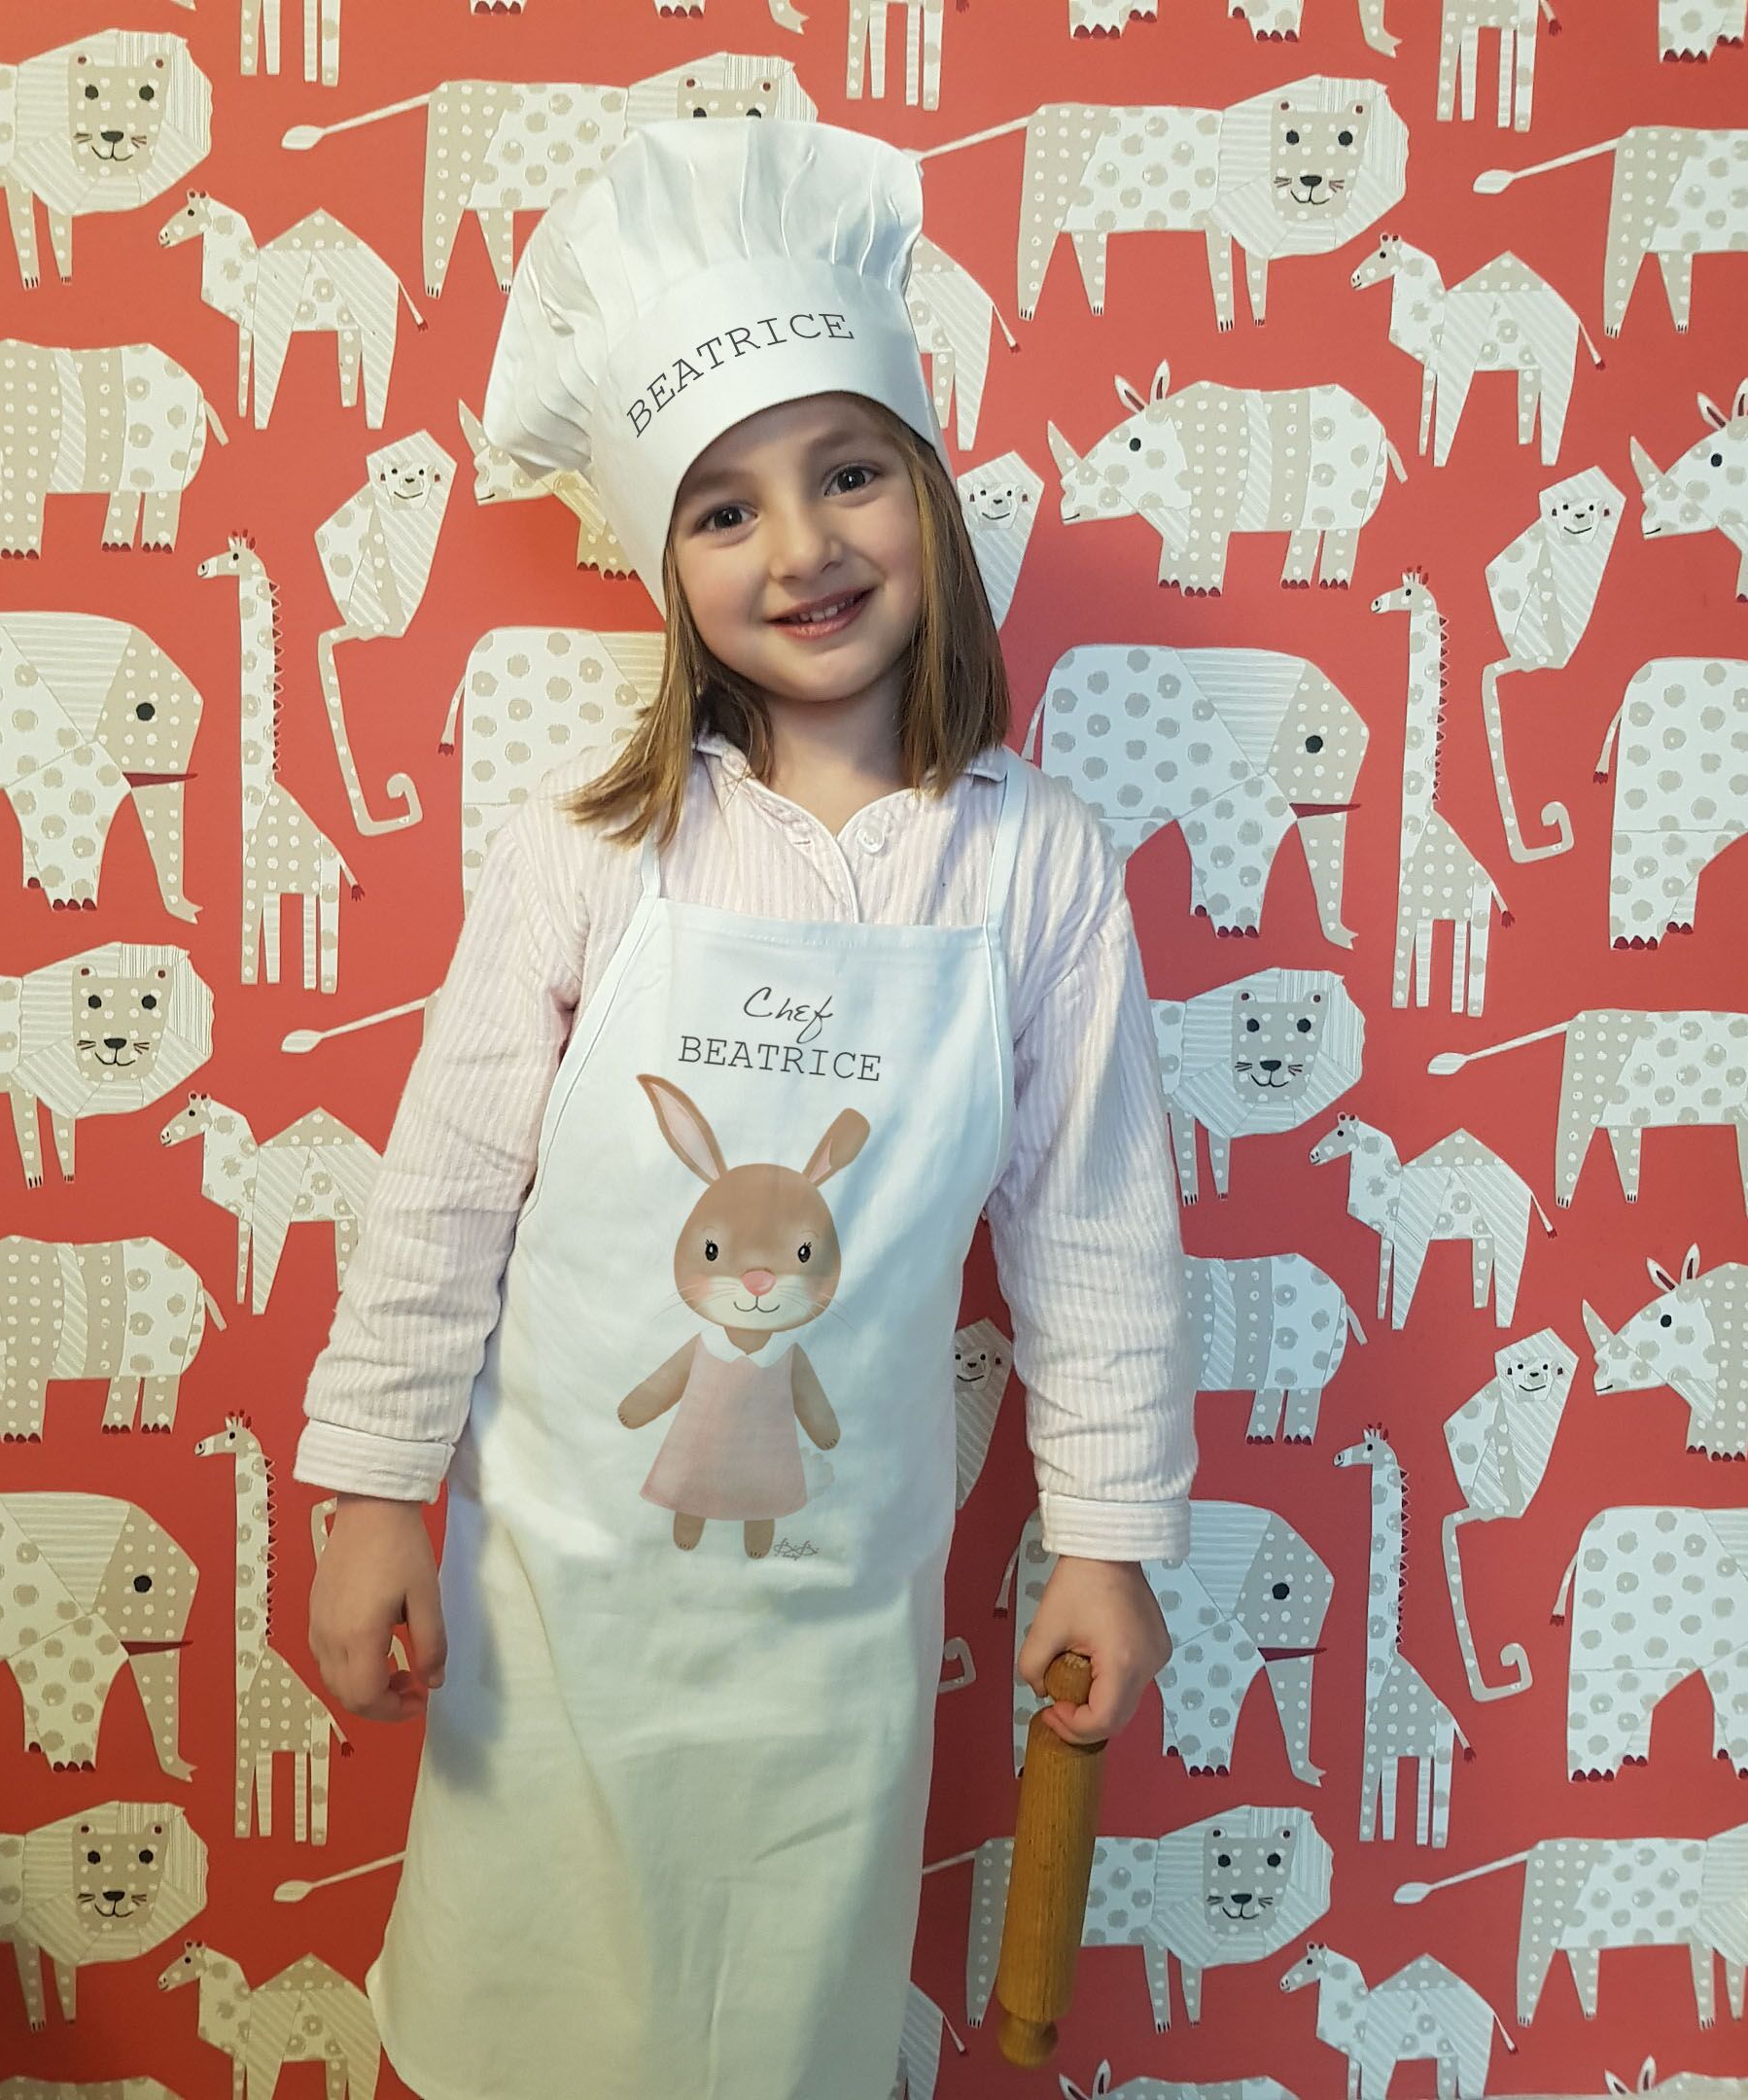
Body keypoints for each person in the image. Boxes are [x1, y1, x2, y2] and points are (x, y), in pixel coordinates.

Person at [295, 115, 1199, 2100]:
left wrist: (1107, 1543)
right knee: (519, 2021)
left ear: (928, 495)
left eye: (849, 472)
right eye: (725, 508)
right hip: (554, 1610)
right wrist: (372, 1499)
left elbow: (1096, 1228)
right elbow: (444, 1194)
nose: (800, 548)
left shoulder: (1031, 862)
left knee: (775, 2033)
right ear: (665, 568)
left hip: (837, 1629)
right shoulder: (586, 851)